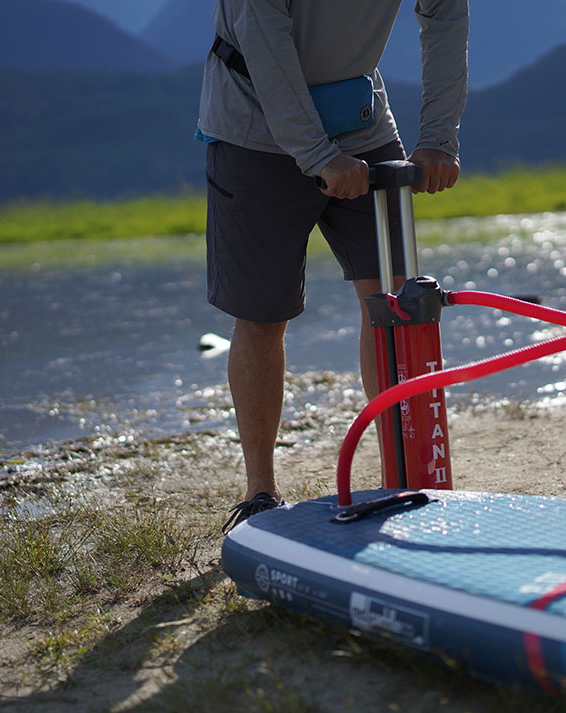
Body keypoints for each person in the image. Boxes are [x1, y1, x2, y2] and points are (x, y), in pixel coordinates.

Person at [197, 0, 469, 531]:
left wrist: (439, 137)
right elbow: (266, 43)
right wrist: (318, 155)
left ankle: (400, 474)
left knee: (393, 302)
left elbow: (446, 16)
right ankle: (260, 492)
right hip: (254, 125)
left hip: (359, 120)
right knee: (262, 316)